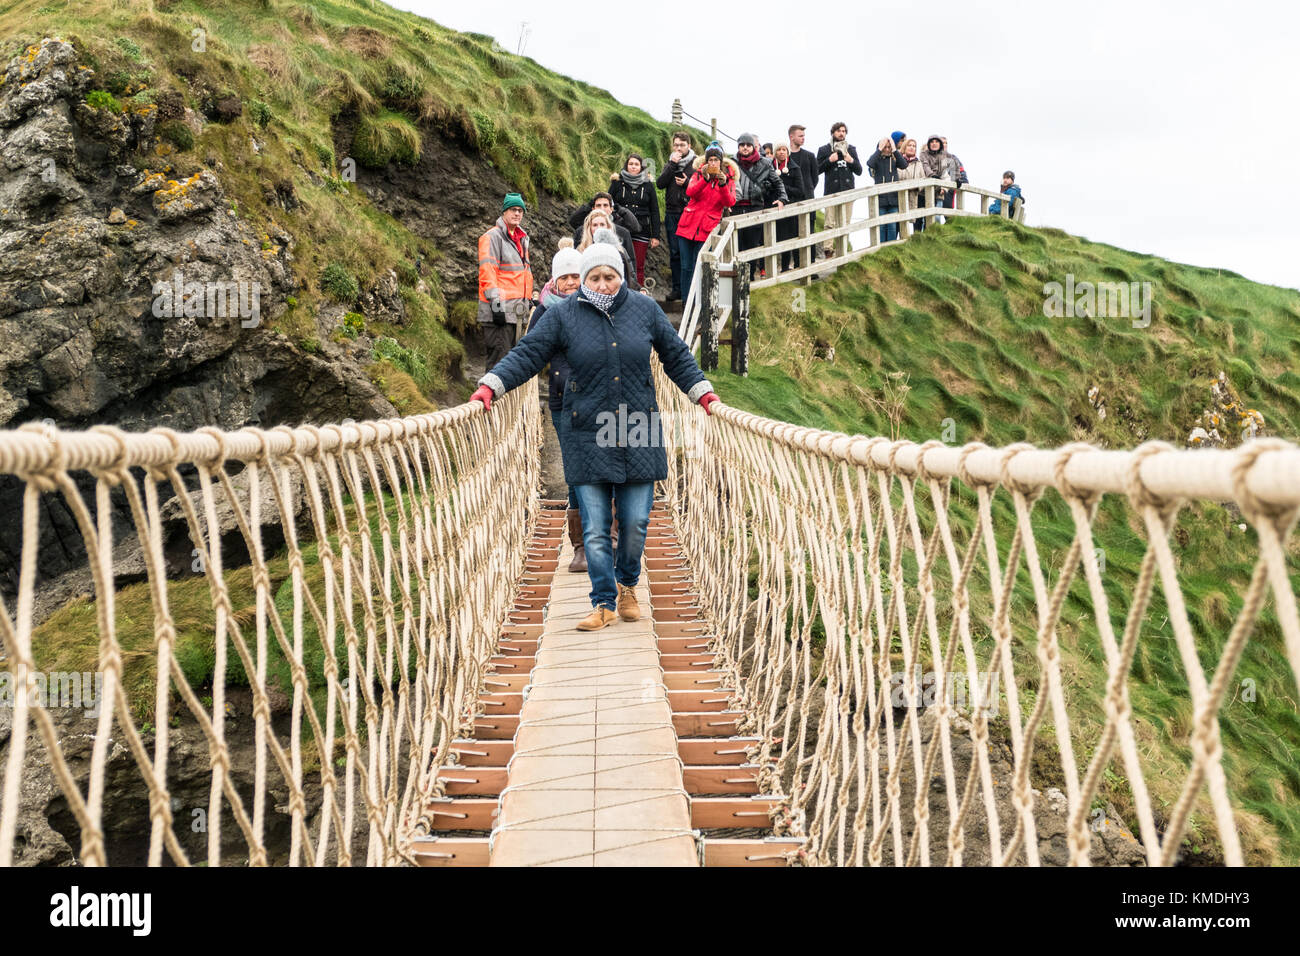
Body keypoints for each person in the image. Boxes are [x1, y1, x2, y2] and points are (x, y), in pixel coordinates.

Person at [471, 229, 720, 631]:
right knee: (596, 526)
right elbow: (529, 353)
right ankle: (603, 602)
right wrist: (491, 386)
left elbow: (676, 355)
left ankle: (627, 585)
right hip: (586, 427)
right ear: (583, 280)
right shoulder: (563, 315)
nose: (602, 284)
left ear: (621, 275)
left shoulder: (645, 310)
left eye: (610, 276)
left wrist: (703, 394)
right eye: (594, 278)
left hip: (637, 424)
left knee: (637, 521)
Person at [527, 240, 587, 571]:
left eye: (576, 276)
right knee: (577, 469)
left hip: (597, 400)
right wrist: (498, 383)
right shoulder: (545, 310)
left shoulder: (595, 305)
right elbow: (529, 353)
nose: (571, 283)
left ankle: (601, 539)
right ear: (554, 279)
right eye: (565, 278)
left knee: (600, 468)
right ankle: (580, 546)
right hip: (563, 401)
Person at [477, 192, 535, 371]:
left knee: (509, 366)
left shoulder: (521, 239)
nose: (517, 213)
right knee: (498, 367)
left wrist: (530, 298)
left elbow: (523, 274)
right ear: (504, 212)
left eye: (520, 210)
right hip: (499, 314)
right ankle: (489, 399)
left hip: (515, 314)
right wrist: (495, 305)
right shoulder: (492, 237)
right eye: (512, 209)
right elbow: (488, 270)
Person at [675, 141, 737, 299]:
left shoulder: (728, 180)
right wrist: (705, 179)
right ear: (706, 161)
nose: (713, 163)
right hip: (687, 226)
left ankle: (699, 302)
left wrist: (722, 185)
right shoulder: (697, 174)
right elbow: (690, 191)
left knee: (700, 266)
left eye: (716, 160)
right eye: (710, 160)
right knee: (685, 267)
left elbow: (729, 202)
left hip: (706, 229)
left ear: (721, 162)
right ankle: (685, 301)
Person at [729, 132, 786, 279]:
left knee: (752, 244)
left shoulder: (765, 163)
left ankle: (749, 276)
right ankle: (738, 278)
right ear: (738, 147)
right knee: (737, 244)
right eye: (742, 145)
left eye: (748, 145)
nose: (745, 148)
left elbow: (778, 183)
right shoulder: (731, 162)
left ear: (754, 147)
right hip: (735, 207)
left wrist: (782, 199)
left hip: (755, 207)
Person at [608, 153, 660, 287]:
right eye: (631, 164)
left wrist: (656, 235)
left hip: (642, 229)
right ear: (626, 165)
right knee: (618, 261)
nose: (633, 167)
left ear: (641, 167)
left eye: (636, 164)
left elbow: (654, 210)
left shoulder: (648, 185)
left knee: (638, 264)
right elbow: (608, 204)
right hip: (620, 227)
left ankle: (639, 294)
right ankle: (618, 291)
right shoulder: (617, 182)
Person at [656, 132, 696, 302]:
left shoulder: (696, 165)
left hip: (689, 212)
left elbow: (701, 188)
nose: (679, 148)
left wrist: (687, 184)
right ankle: (677, 289)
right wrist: (672, 164)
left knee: (690, 252)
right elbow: (660, 183)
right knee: (674, 253)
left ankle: (691, 289)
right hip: (672, 212)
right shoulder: (670, 163)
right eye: (676, 145)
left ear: (689, 146)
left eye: (682, 145)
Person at [816, 122, 862, 258]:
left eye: (843, 131)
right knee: (830, 223)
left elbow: (859, 171)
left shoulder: (851, 149)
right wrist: (829, 160)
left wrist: (851, 160)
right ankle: (828, 250)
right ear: (833, 133)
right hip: (831, 191)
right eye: (838, 131)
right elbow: (817, 170)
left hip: (848, 190)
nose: (841, 133)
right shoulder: (824, 150)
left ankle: (842, 249)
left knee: (845, 223)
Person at [578, 208, 640, 291]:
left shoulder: (620, 250)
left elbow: (631, 275)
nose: (598, 228)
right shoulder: (582, 250)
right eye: (595, 225)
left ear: (608, 227)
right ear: (589, 228)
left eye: (602, 224)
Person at [569, 192, 638, 261]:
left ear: (611, 209)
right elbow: (573, 221)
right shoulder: (582, 232)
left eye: (605, 205)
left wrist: (621, 209)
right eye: (598, 205)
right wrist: (588, 205)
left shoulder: (622, 232)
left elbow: (635, 228)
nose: (602, 208)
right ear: (593, 208)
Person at [787, 124, 820, 267]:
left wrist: (807, 191)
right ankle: (797, 266)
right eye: (800, 136)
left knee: (809, 233)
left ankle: (811, 266)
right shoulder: (785, 156)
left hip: (808, 200)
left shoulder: (810, 156)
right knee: (794, 234)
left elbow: (815, 178)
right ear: (791, 136)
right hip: (791, 201)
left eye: (804, 136)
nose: (803, 138)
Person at [865, 136, 909, 243]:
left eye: (889, 147)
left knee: (892, 227)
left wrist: (895, 150)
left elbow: (904, 165)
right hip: (880, 200)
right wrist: (879, 149)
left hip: (894, 200)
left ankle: (891, 249)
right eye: (885, 147)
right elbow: (869, 163)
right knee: (881, 227)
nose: (887, 149)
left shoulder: (894, 160)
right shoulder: (877, 160)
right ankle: (881, 250)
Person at [772, 143, 807, 272]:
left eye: (784, 149)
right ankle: (771, 268)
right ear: (775, 152)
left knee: (789, 237)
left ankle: (787, 267)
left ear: (787, 152)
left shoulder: (794, 168)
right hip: (773, 206)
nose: (781, 152)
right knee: (774, 237)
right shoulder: (769, 167)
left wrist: (782, 188)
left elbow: (800, 190)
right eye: (779, 150)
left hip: (790, 207)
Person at [920, 135, 958, 224]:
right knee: (924, 218)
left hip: (940, 192)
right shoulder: (922, 160)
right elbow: (924, 170)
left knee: (938, 216)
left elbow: (947, 175)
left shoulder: (949, 158)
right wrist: (932, 175)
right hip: (925, 192)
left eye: (945, 143)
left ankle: (937, 232)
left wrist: (945, 188)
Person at [897, 138, 927, 232]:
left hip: (913, 196)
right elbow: (898, 176)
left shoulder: (918, 164)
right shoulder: (897, 160)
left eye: (914, 146)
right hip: (899, 195)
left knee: (914, 222)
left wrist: (917, 186)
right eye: (909, 145)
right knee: (898, 223)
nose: (912, 148)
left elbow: (923, 179)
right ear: (905, 147)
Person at [941, 137, 968, 214]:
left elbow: (961, 171)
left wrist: (963, 181)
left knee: (948, 213)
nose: (945, 145)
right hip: (937, 188)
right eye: (943, 143)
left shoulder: (953, 157)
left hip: (949, 189)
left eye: (946, 143)